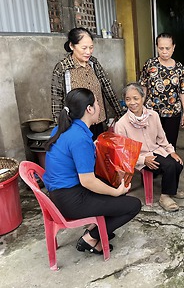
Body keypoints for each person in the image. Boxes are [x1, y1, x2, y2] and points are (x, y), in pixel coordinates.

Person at [43, 88, 141, 254]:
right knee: (133, 204)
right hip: (72, 200)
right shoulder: (79, 138)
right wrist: (115, 193)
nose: (99, 107)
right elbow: (87, 181)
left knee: (114, 183)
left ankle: (97, 226)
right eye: (97, 103)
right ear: (89, 109)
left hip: (59, 194)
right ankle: (91, 238)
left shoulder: (63, 128)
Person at [114, 83, 184, 212]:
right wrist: (143, 160)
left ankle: (171, 189)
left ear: (143, 98)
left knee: (178, 163)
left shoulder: (153, 115)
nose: (132, 103)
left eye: (136, 98)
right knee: (169, 166)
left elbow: (161, 138)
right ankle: (165, 196)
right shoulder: (121, 124)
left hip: (156, 151)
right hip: (139, 157)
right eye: (128, 99)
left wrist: (171, 151)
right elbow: (124, 153)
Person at [51, 27, 124, 139]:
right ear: (72, 46)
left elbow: (108, 89)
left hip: (98, 121)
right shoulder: (63, 68)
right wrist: (60, 128)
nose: (88, 52)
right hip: (77, 125)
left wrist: (121, 114)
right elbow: (56, 101)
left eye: (91, 47)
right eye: (84, 48)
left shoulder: (93, 63)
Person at [139, 32, 184, 149]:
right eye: (161, 48)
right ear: (156, 47)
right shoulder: (150, 64)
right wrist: (141, 107)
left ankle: (170, 166)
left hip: (173, 113)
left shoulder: (179, 68)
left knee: (170, 144)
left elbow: (182, 90)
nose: (164, 52)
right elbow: (143, 86)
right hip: (152, 111)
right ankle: (155, 167)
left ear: (173, 47)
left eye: (168, 48)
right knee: (152, 143)